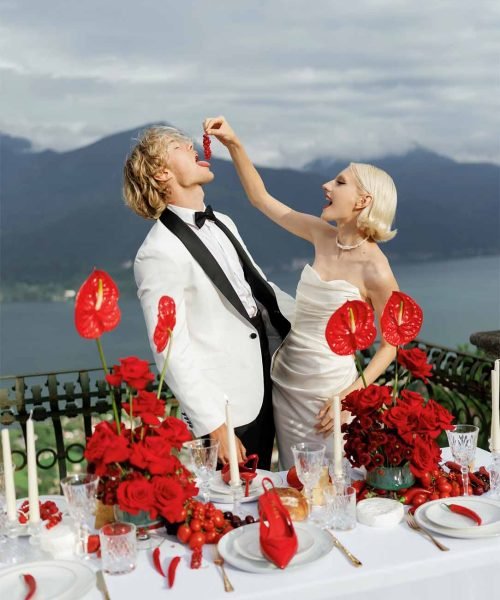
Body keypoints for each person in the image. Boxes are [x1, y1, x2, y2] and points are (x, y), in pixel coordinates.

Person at [204, 116, 399, 469]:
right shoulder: (321, 234)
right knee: (295, 482)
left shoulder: (376, 268)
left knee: (334, 482)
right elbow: (261, 199)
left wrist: (348, 396)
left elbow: (392, 343)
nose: (327, 185)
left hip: (329, 396)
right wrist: (234, 144)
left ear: (362, 201)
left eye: (339, 182)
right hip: (286, 384)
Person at [123, 125, 292, 470]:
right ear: (162, 173)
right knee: (230, 509)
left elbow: (259, 293)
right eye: (179, 146)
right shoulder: (158, 252)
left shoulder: (223, 221)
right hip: (226, 409)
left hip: (264, 386)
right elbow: (170, 349)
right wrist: (215, 426)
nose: (192, 145)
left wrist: (324, 313)